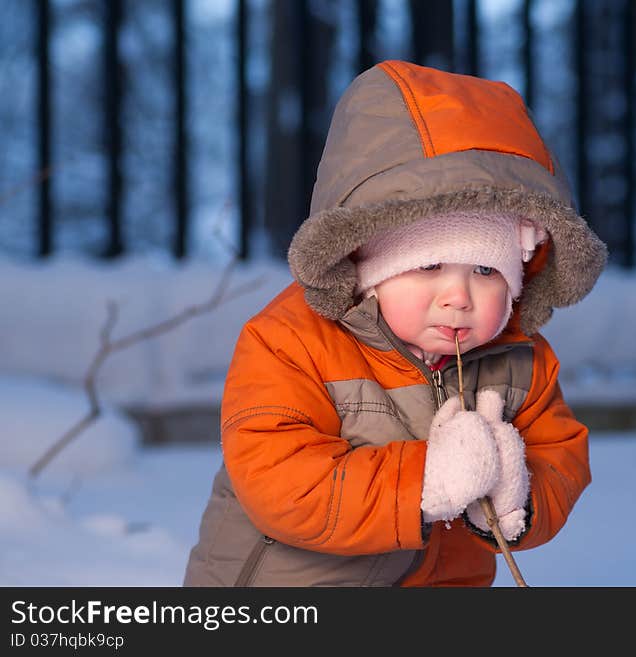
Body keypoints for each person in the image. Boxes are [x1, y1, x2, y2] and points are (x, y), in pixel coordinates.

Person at [183, 60, 607, 587]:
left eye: (484, 270)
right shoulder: (291, 340)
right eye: (428, 267)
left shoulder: (522, 361)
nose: (457, 297)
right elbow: (277, 478)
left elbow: (560, 456)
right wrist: (425, 483)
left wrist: (518, 494)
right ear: (370, 268)